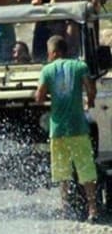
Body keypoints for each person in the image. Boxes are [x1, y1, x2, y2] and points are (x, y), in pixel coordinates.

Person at [34, 35, 99, 222]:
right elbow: (90, 88)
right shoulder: (80, 66)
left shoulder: (47, 70)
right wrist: (90, 101)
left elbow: (39, 97)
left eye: (48, 53)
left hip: (58, 129)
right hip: (78, 126)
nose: (47, 56)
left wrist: (44, 97)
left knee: (62, 171)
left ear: (55, 52)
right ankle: (92, 210)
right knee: (86, 168)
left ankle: (64, 209)